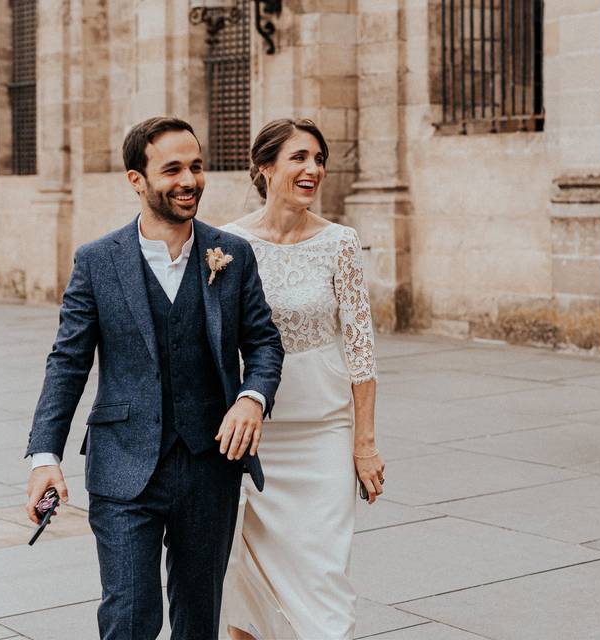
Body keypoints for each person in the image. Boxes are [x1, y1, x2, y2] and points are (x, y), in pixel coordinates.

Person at [23, 116, 284, 640]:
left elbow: (263, 343)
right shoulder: (97, 261)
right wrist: (44, 458)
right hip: (123, 465)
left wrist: (252, 398)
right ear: (137, 180)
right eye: (172, 170)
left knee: (198, 616)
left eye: (196, 166)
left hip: (210, 463)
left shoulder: (232, 253)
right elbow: (68, 361)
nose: (189, 181)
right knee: (129, 614)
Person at [221, 118, 383, 640]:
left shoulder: (341, 243)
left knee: (323, 574)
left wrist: (365, 444)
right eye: (299, 158)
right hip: (256, 434)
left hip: (324, 431)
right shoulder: (227, 243)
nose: (313, 169)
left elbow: (361, 350)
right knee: (248, 578)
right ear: (265, 168)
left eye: (318, 159)